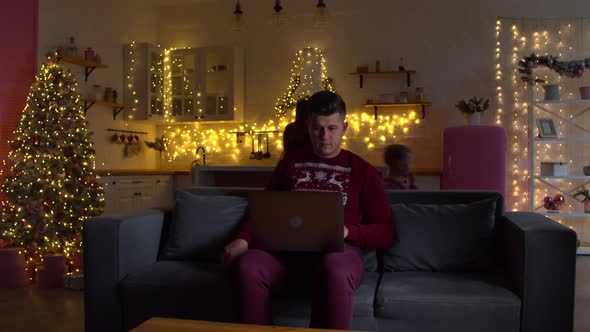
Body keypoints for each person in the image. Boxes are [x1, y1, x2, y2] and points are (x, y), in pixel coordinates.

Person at [223, 90, 394, 330]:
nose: (325, 136)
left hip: (338, 256)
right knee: (248, 265)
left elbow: (385, 232)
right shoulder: (290, 163)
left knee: (335, 268)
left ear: (344, 128)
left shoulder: (363, 171)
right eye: (317, 128)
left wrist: (347, 231)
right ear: (307, 126)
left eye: (332, 128)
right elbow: (264, 209)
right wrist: (243, 239)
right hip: (285, 256)